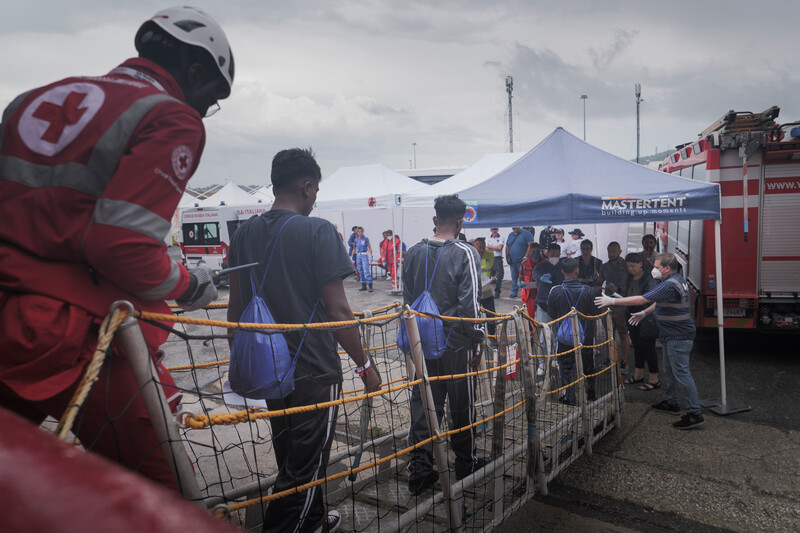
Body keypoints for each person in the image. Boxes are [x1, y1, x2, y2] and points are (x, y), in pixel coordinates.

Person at [0, 6, 232, 491]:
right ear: (193, 70)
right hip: (84, 332)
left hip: (7, 314)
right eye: (210, 98)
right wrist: (189, 286)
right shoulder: (170, 116)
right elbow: (123, 246)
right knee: (164, 495)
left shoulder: (27, 101)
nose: (203, 111)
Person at [227, 148, 383, 532]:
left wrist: (241, 360)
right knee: (305, 468)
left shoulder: (243, 232)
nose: (316, 200)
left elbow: (234, 310)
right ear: (307, 186)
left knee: (289, 456)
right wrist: (365, 367)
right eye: (316, 191)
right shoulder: (317, 231)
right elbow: (339, 312)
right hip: (313, 369)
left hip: (268, 370)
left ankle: (313, 521)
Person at [403, 195, 486, 494]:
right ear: (461, 220)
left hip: (421, 342)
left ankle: (420, 469)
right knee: (462, 406)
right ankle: (465, 462)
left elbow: (407, 300)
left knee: (424, 405)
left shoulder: (412, 252)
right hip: (455, 343)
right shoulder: (465, 252)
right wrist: (478, 341)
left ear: (435, 219)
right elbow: (470, 306)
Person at [595, 253, 704, 430]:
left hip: (678, 337)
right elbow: (657, 301)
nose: (653, 269)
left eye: (657, 266)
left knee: (682, 374)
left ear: (667, 269)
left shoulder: (669, 284)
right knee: (670, 371)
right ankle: (672, 402)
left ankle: (694, 413)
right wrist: (645, 313)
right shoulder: (676, 280)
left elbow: (643, 299)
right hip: (672, 335)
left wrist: (612, 300)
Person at [547, 258, 598, 405]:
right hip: (586, 336)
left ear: (562, 271)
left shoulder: (555, 291)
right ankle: (591, 394)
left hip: (564, 337)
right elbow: (594, 312)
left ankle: (569, 396)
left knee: (565, 366)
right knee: (588, 365)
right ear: (577, 270)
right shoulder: (588, 290)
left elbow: (552, 313)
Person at [621, 253, 660, 391]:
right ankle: (638, 375)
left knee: (648, 347)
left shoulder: (649, 278)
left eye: (633, 266)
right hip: (632, 313)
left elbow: (651, 298)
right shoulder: (630, 277)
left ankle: (654, 379)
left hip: (646, 316)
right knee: (637, 345)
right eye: (628, 266)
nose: (630, 269)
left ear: (641, 264)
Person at [595, 242, 631, 374]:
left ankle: (624, 362)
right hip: (607, 303)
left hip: (622, 303)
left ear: (620, 251)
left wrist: (620, 289)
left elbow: (632, 284)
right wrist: (597, 287)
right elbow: (599, 281)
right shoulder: (604, 266)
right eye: (609, 251)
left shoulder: (626, 265)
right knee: (608, 333)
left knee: (623, 332)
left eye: (614, 251)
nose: (611, 254)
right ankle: (609, 359)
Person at [531, 243, 565, 375]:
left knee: (558, 335)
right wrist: (541, 278)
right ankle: (542, 363)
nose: (555, 256)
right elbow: (536, 275)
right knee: (543, 337)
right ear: (547, 253)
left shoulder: (563, 266)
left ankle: (556, 359)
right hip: (543, 306)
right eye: (552, 253)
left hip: (560, 305)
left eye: (557, 253)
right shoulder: (541, 266)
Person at [518, 243, 546, 372]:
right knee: (530, 320)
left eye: (537, 251)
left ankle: (540, 347)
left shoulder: (544, 263)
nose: (535, 253)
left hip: (540, 295)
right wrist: (520, 283)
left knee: (540, 321)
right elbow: (520, 277)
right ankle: (531, 343)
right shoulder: (524, 264)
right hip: (528, 295)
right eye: (533, 251)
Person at [472, 237, 499, 336]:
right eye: (479, 247)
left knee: (491, 316)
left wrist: (495, 278)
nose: (482, 249)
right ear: (474, 246)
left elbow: (496, 271)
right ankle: (477, 336)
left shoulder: (490, 255)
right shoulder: (470, 256)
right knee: (475, 316)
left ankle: (492, 336)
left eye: (483, 246)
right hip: (475, 293)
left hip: (487, 292)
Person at [505, 226, 534, 298]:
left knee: (525, 277)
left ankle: (526, 293)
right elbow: (507, 246)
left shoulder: (527, 233)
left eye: (516, 226)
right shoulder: (510, 234)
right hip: (513, 261)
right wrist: (507, 256)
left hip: (522, 261)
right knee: (514, 277)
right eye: (513, 226)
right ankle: (514, 292)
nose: (514, 227)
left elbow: (530, 245)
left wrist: (526, 256)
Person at [486, 227, 505, 298]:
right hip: (489, 258)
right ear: (491, 230)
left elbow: (500, 248)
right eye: (493, 229)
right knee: (488, 275)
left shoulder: (501, 238)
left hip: (498, 258)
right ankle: (488, 291)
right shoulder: (488, 238)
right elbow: (486, 249)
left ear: (498, 230)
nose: (494, 231)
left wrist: (490, 247)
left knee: (499, 276)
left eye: (495, 229)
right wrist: (495, 247)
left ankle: (497, 292)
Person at [354, 226, 373, 292]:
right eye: (359, 232)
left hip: (364, 254)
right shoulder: (356, 240)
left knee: (366, 271)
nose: (360, 233)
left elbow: (369, 247)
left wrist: (371, 255)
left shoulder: (366, 239)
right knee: (360, 270)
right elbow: (354, 248)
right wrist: (352, 256)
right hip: (358, 255)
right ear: (357, 232)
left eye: (361, 232)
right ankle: (363, 285)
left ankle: (370, 285)